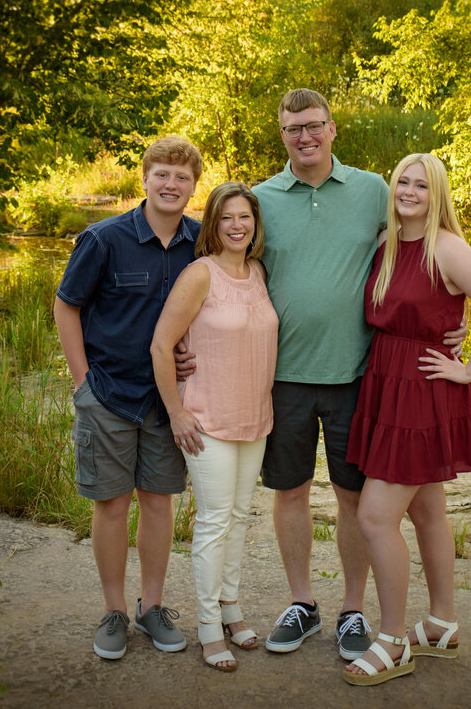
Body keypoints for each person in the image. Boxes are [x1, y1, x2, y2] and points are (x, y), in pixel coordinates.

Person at [251, 89, 467, 661]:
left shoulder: (375, 189)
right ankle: (301, 603)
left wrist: (457, 316)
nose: (305, 136)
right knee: (290, 491)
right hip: (284, 376)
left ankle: (353, 610)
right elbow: (229, 271)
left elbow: (428, 250)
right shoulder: (261, 199)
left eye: (314, 125)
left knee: (354, 498)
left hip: (359, 376)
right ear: (282, 135)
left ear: (333, 128)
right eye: (293, 128)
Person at [341, 152, 471, 686]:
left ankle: (393, 640)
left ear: (437, 192)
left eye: (421, 185)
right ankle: (441, 623)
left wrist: (468, 372)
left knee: (375, 518)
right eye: (403, 182)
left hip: (422, 390)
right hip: (385, 383)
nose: (409, 192)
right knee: (426, 514)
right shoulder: (387, 244)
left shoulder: (448, 248)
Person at [53, 135, 203, 661]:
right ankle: (114, 611)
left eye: (182, 177)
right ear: (144, 177)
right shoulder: (104, 238)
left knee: (158, 502)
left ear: (193, 185)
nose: (171, 184)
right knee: (112, 504)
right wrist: (82, 382)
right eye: (162, 173)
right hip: (109, 393)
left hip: (168, 402)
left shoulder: (200, 242)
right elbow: (66, 305)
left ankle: (153, 606)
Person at [150, 182, 279, 672]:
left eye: (245, 217)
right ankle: (207, 628)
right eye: (227, 217)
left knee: (241, 517)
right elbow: (163, 346)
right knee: (213, 522)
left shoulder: (258, 272)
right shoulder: (198, 275)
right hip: (206, 419)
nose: (237, 225)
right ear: (213, 225)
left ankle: (230, 608)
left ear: (255, 224)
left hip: (255, 418)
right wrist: (177, 412)